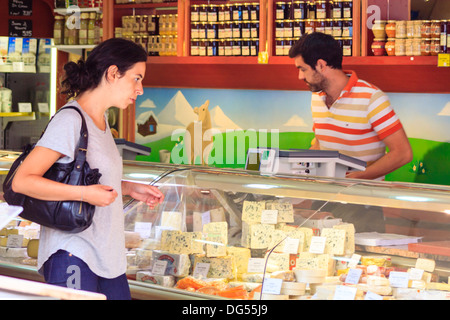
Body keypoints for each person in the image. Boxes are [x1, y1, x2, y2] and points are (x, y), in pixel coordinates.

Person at [11, 38, 164, 300]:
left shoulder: (101, 120)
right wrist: (86, 195)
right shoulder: (70, 120)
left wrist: (127, 187)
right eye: (136, 78)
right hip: (74, 252)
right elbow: (22, 182)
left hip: (107, 256)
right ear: (113, 74)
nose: (140, 89)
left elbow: (87, 178)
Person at [288, 32, 413, 232]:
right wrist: (303, 168)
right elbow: (320, 141)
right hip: (323, 201)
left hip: (362, 207)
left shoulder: (372, 98)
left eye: (302, 69)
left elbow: (403, 153)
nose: (299, 76)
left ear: (321, 65)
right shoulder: (316, 98)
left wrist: (355, 179)